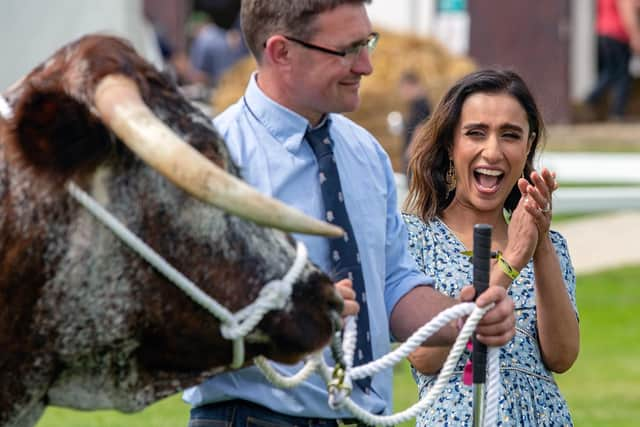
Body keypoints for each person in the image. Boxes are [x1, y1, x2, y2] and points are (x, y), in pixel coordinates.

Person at [183, 2, 516, 426]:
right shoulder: (210, 160)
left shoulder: (366, 153)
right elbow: (178, 322)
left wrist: (461, 319)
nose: (367, 66)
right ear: (281, 52)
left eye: (367, 43)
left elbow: (391, 284)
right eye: (347, 50)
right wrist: (287, 315)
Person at [403, 69, 580, 426]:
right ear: (451, 145)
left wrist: (539, 242)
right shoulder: (415, 235)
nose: (493, 151)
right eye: (476, 133)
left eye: (510, 135)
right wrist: (512, 261)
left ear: (528, 146)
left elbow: (561, 356)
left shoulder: (550, 246)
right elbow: (424, 355)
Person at [583, 0, 640, 121]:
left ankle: (592, 98)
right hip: (618, 34)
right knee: (622, 75)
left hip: (604, 33)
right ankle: (616, 113)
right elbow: (627, 11)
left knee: (611, 71)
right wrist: (635, 36)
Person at [398, 70, 431, 174]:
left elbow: (421, 127)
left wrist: (411, 151)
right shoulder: (417, 103)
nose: (402, 92)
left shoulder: (420, 103)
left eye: (403, 88)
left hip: (414, 155)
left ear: (410, 85)